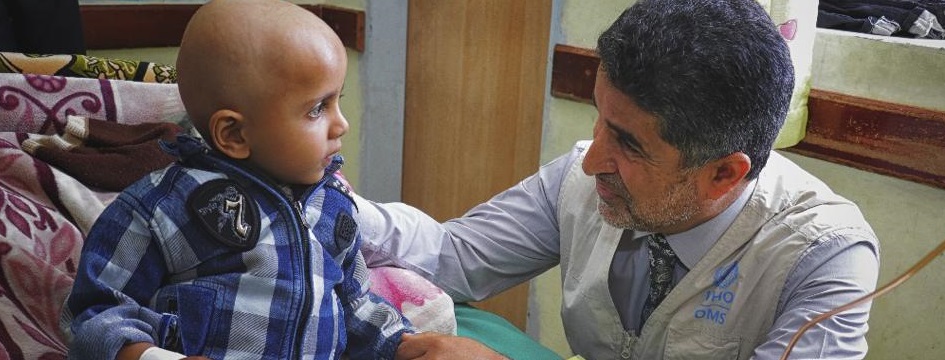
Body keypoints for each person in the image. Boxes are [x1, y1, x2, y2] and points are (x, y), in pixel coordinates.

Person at [356, 0, 880, 359]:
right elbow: (450, 257)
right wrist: (325, 204)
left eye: (628, 143)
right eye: (599, 119)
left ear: (724, 173)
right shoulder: (584, 180)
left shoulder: (824, 257)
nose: (591, 162)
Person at [60, 1, 426, 359]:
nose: (341, 124)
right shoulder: (161, 209)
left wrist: (405, 343)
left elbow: (354, 306)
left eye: (337, 102)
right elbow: (96, 313)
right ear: (233, 134)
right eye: (317, 108)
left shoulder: (334, 209)